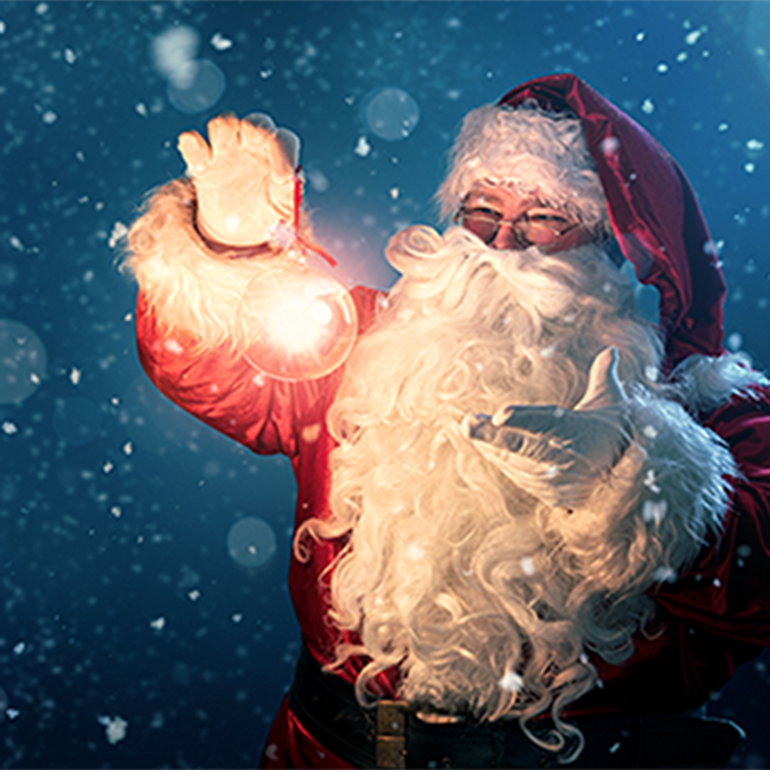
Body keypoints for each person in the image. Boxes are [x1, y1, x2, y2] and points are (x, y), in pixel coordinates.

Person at [123, 74, 770, 769]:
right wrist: (231, 249)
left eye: (548, 215)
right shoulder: (359, 346)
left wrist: (635, 484)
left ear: (615, 250)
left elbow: (759, 579)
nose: (504, 243)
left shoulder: (705, 405)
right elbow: (204, 368)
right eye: (481, 210)